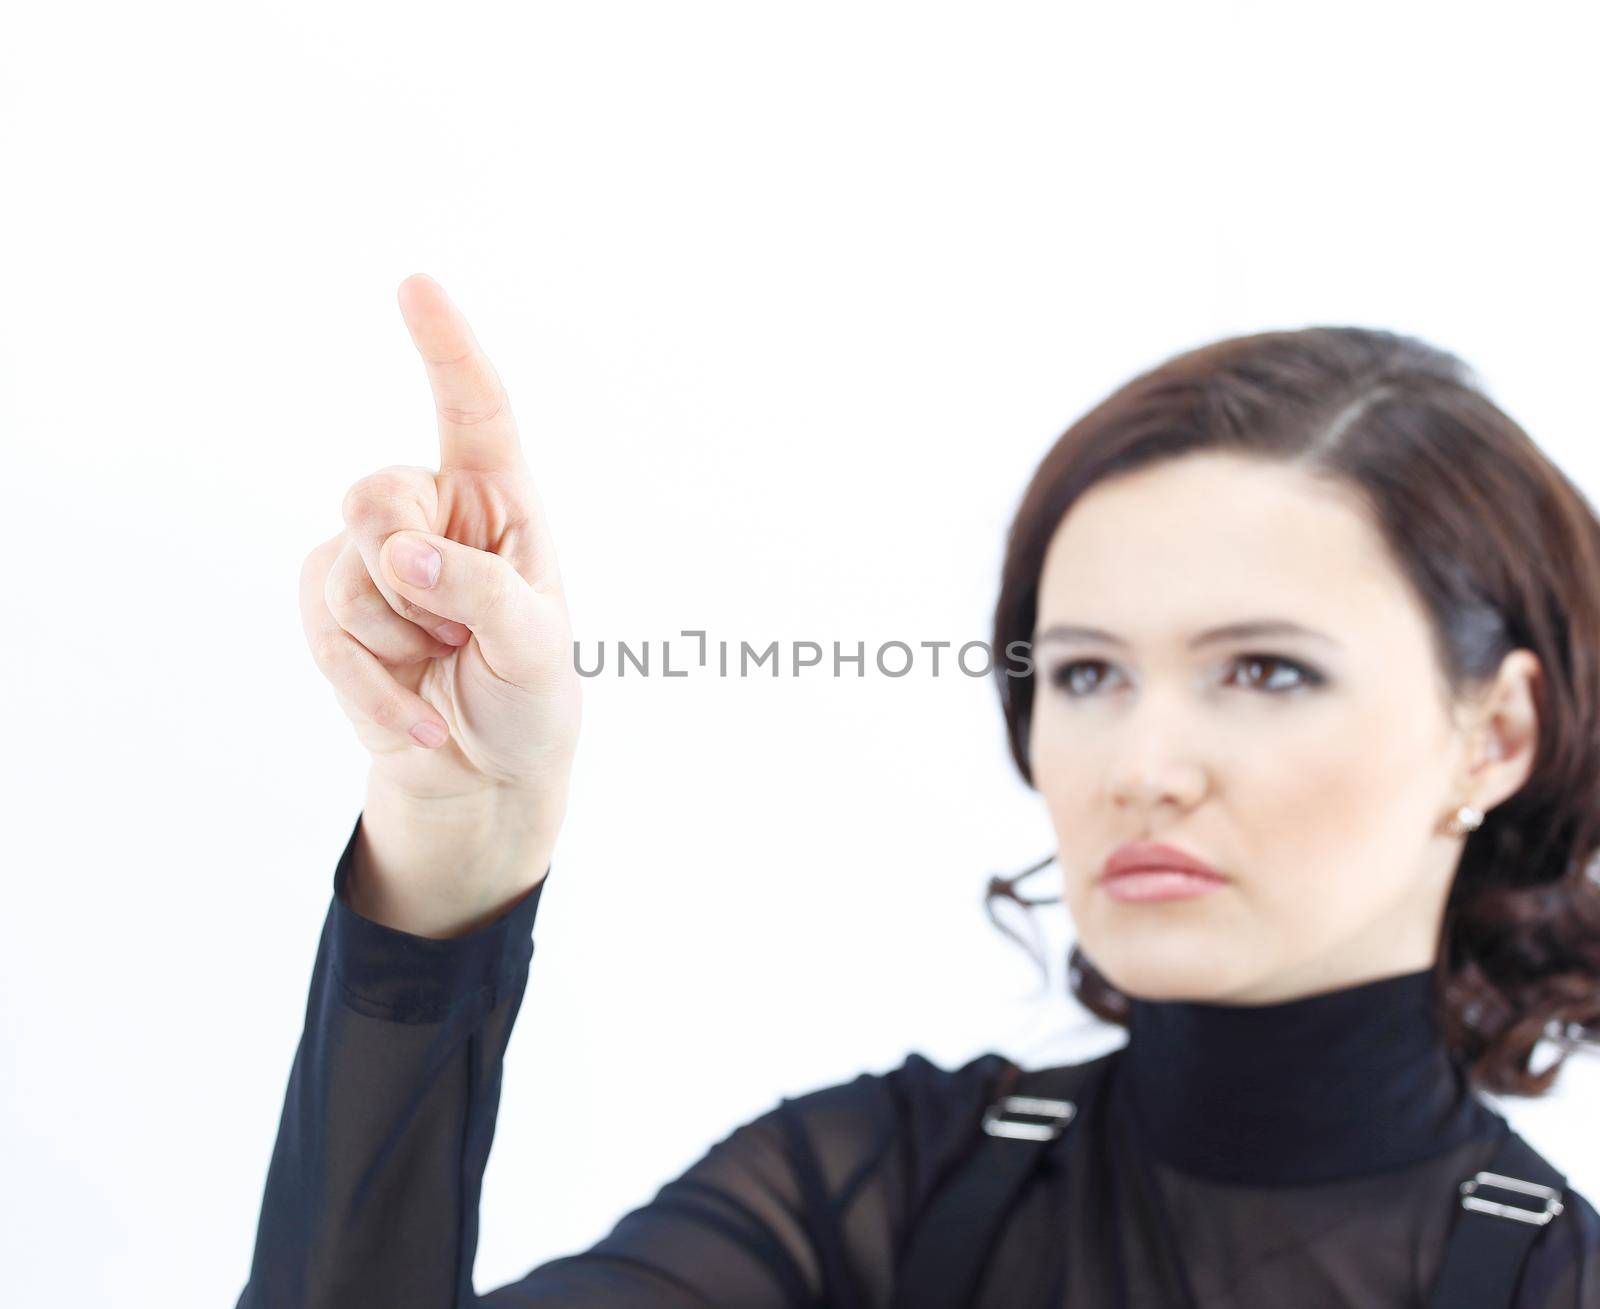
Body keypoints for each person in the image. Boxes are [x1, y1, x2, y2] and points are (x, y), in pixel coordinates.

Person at [235, 274, 1600, 1307]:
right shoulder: (884, 1193)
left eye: (1265, 671)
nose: (1141, 765)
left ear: (1496, 732)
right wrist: (463, 832)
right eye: (1086, 674)